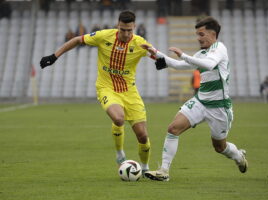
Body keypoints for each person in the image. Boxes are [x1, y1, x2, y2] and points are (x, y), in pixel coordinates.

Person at [40, 10, 153, 174]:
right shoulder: (104, 36)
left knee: (142, 136)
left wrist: (160, 61)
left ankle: (145, 169)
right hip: (106, 87)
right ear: (117, 26)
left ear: (134, 27)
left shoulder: (140, 43)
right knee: (118, 117)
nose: (126, 33)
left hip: (130, 92)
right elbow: (78, 39)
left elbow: (156, 54)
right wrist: (54, 56)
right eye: (123, 29)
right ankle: (120, 153)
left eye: (129, 30)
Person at [141, 16, 248, 181]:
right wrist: (155, 53)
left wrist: (183, 55)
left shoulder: (220, 49)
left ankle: (238, 156)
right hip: (200, 102)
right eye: (197, 34)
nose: (198, 38)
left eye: (201, 34)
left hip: (219, 107)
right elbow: (177, 65)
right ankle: (164, 171)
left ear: (213, 34)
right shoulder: (202, 53)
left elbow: (209, 64)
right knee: (173, 129)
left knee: (219, 147)